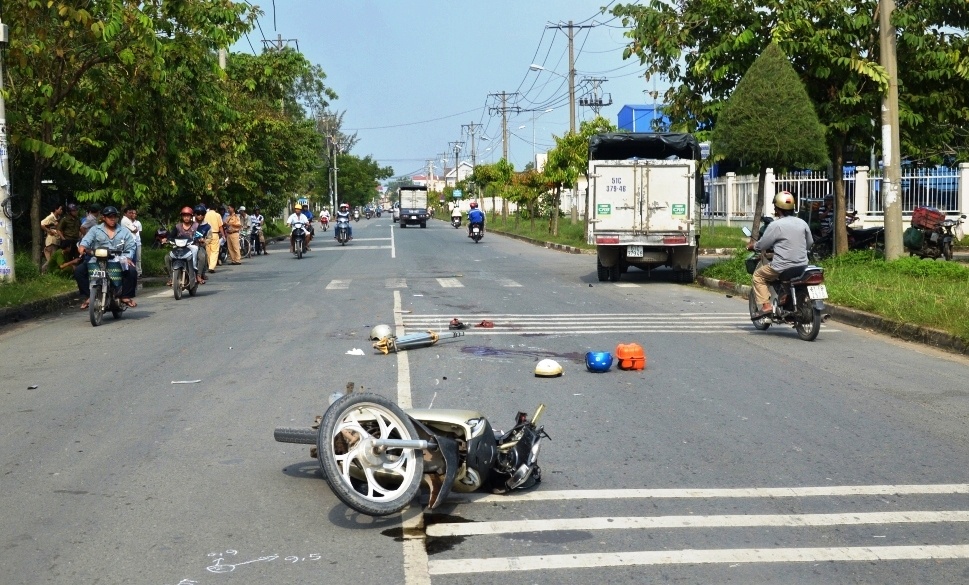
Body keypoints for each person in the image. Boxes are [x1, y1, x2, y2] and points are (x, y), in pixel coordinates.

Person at [746, 191, 814, 320]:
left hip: (782, 266)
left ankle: (766, 306)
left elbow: (762, 245)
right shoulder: (802, 223)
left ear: (777, 209)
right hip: (802, 265)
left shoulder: (775, 225)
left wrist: (752, 246)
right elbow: (809, 242)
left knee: (758, 276)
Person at [75, 206, 138, 309]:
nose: (112, 219)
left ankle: (125, 296)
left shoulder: (124, 231)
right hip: (97, 259)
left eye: (114, 217)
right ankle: (88, 296)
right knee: (79, 271)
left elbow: (131, 246)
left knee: (132, 271)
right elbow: (86, 240)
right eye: (109, 217)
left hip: (118, 259)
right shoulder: (95, 230)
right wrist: (82, 247)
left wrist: (127, 257)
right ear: (104, 218)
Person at [165, 207, 205, 286]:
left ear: (191, 217)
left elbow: (200, 235)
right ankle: (171, 277)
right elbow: (171, 236)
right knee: (167, 257)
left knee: (202, 256)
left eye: (188, 216)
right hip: (179, 247)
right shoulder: (177, 226)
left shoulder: (196, 226)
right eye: (184, 216)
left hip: (193, 246)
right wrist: (166, 239)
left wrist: (200, 239)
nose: (186, 218)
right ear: (182, 217)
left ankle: (198, 275)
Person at [120, 206, 143, 276]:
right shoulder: (125, 220)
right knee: (131, 259)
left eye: (131, 213)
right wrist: (135, 229)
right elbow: (135, 230)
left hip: (134, 241)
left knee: (135, 259)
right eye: (129, 213)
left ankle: (134, 273)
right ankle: (131, 274)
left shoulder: (133, 221)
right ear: (125, 213)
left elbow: (137, 231)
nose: (131, 214)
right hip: (129, 242)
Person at [203, 203, 225, 273]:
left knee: (208, 250)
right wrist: (223, 235)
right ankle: (211, 267)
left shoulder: (205, 214)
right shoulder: (217, 215)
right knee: (215, 251)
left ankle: (209, 265)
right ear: (215, 209)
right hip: (215, 234)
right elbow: (220, 226)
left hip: (207, 234)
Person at [192, 205, 211, 281]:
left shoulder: (207, 226)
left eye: (202, 214)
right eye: (198, 213)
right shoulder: (189, 223)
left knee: (203, 256)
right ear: (194, 214)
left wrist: (204, 241)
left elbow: (209, 238)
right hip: (187, 245)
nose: (200, 216)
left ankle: (200, 274)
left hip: (199, 245)